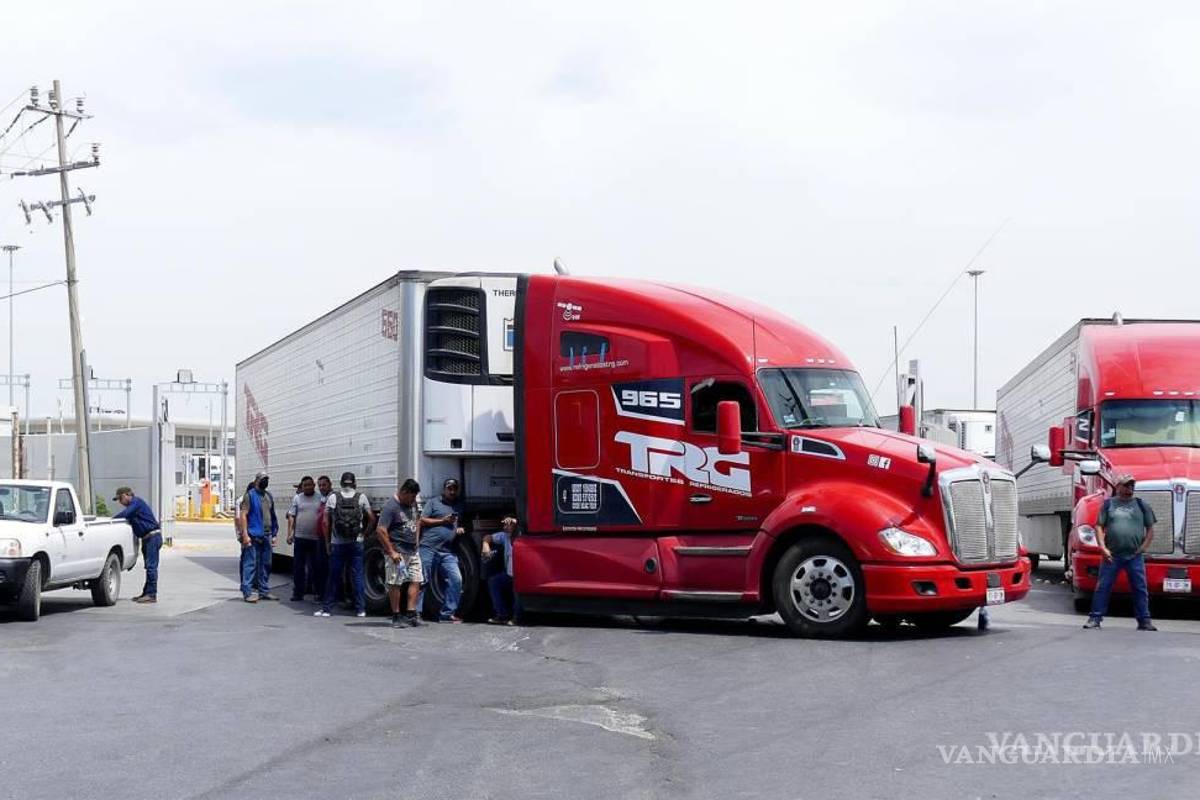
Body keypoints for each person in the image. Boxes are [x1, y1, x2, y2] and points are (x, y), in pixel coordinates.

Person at [1084, 474, 1158, 631]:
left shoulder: (1141, 505)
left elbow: (1150, 528)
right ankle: (1095, 618)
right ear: (1118, 487)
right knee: (1103, 586)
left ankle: (1144, 621)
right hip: (1112, 555)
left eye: (1132, 485)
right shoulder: (1108, 505)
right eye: (1126, 485)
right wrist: (1103, 548)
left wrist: (1144, 547)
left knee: (1140, 588)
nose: (1130, 488)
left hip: (1134, 556)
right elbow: (1099, 526)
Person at [316, 471, 375, 618]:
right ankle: (361, 609)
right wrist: (364, 534)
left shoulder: (333, 497)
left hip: (338, 543)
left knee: (334, 576)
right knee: (358, 577)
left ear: (341, 483)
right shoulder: (361, 497)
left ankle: (327, 609)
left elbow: (325, 522)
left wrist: (328, 542)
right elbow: (372, 519)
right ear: (354, 483)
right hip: (356, 543)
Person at [417, 477, 466, 623]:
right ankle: (416, 612)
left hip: (447, 551)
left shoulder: (458, 506)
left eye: (454, 489)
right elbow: (422, 520)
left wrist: (459, 528)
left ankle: (446, 614)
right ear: (443, 489)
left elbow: (459, 523)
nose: (451, 491)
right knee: (422, 580)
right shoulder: (433, 502)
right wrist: (443, 521)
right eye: (449, 488)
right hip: (429, 547)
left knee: (456, 579)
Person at [377, 478, 424, 628]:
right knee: (395, 583)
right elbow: (381, 530)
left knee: (416, 580)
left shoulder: (412, 504)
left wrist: (416, 540)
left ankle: (411, 614)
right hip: (398, 550)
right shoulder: (391, 507)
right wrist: (391, 552)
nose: (413, 500)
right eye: (411, 496)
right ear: (404, 492)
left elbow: (417, 520)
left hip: (412, 550)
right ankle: (396, 616)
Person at [113, 487, 162, 604]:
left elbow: (125, 514)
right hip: (147, 538)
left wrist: (111, 521)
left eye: (120, 499)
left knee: (151, 567)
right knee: (149, 567)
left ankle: (151, 594)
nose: (120, 502)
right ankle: (146, 593)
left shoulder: (136, 503)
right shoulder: (134, 507)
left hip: (152, 537)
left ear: (126, 495)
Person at [239, 471, 279, 604]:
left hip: (267, 535)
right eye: (263, 479)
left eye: (267, 479)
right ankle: (247, 592)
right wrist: (245, 535)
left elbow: (272, 516)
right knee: (250, 564)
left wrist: (274, 534)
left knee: (266, 564)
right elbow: (243, 515)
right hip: (253, 535)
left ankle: (264, 591)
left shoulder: (268, 496)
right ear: (256, 480)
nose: (265, 481)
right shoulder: (249, 495)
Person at [287, 476, 324, 602]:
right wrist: (290, 534)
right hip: (300, 537)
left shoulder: (320, 498)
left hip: (315, 539)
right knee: (298, 567)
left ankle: (318, 593)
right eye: (305, 485)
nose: (308, 487)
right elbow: (292, 516)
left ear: (314, 485)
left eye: (310, 484)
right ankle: (298, 593)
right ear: (302, 487)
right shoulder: (298, 498)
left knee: (316, 567)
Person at [482, 516, 521, 625]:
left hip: (520, 576)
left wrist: (514, 521)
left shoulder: (521, 535)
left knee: (517, 591)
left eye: (508, 525)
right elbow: (487, 537)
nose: (505, 527)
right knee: (493, 581)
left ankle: (517, 617)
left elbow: (523, 524)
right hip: (509, 575)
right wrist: (485, 545)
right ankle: (501, 615)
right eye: (504, 525)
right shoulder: (504, 536)